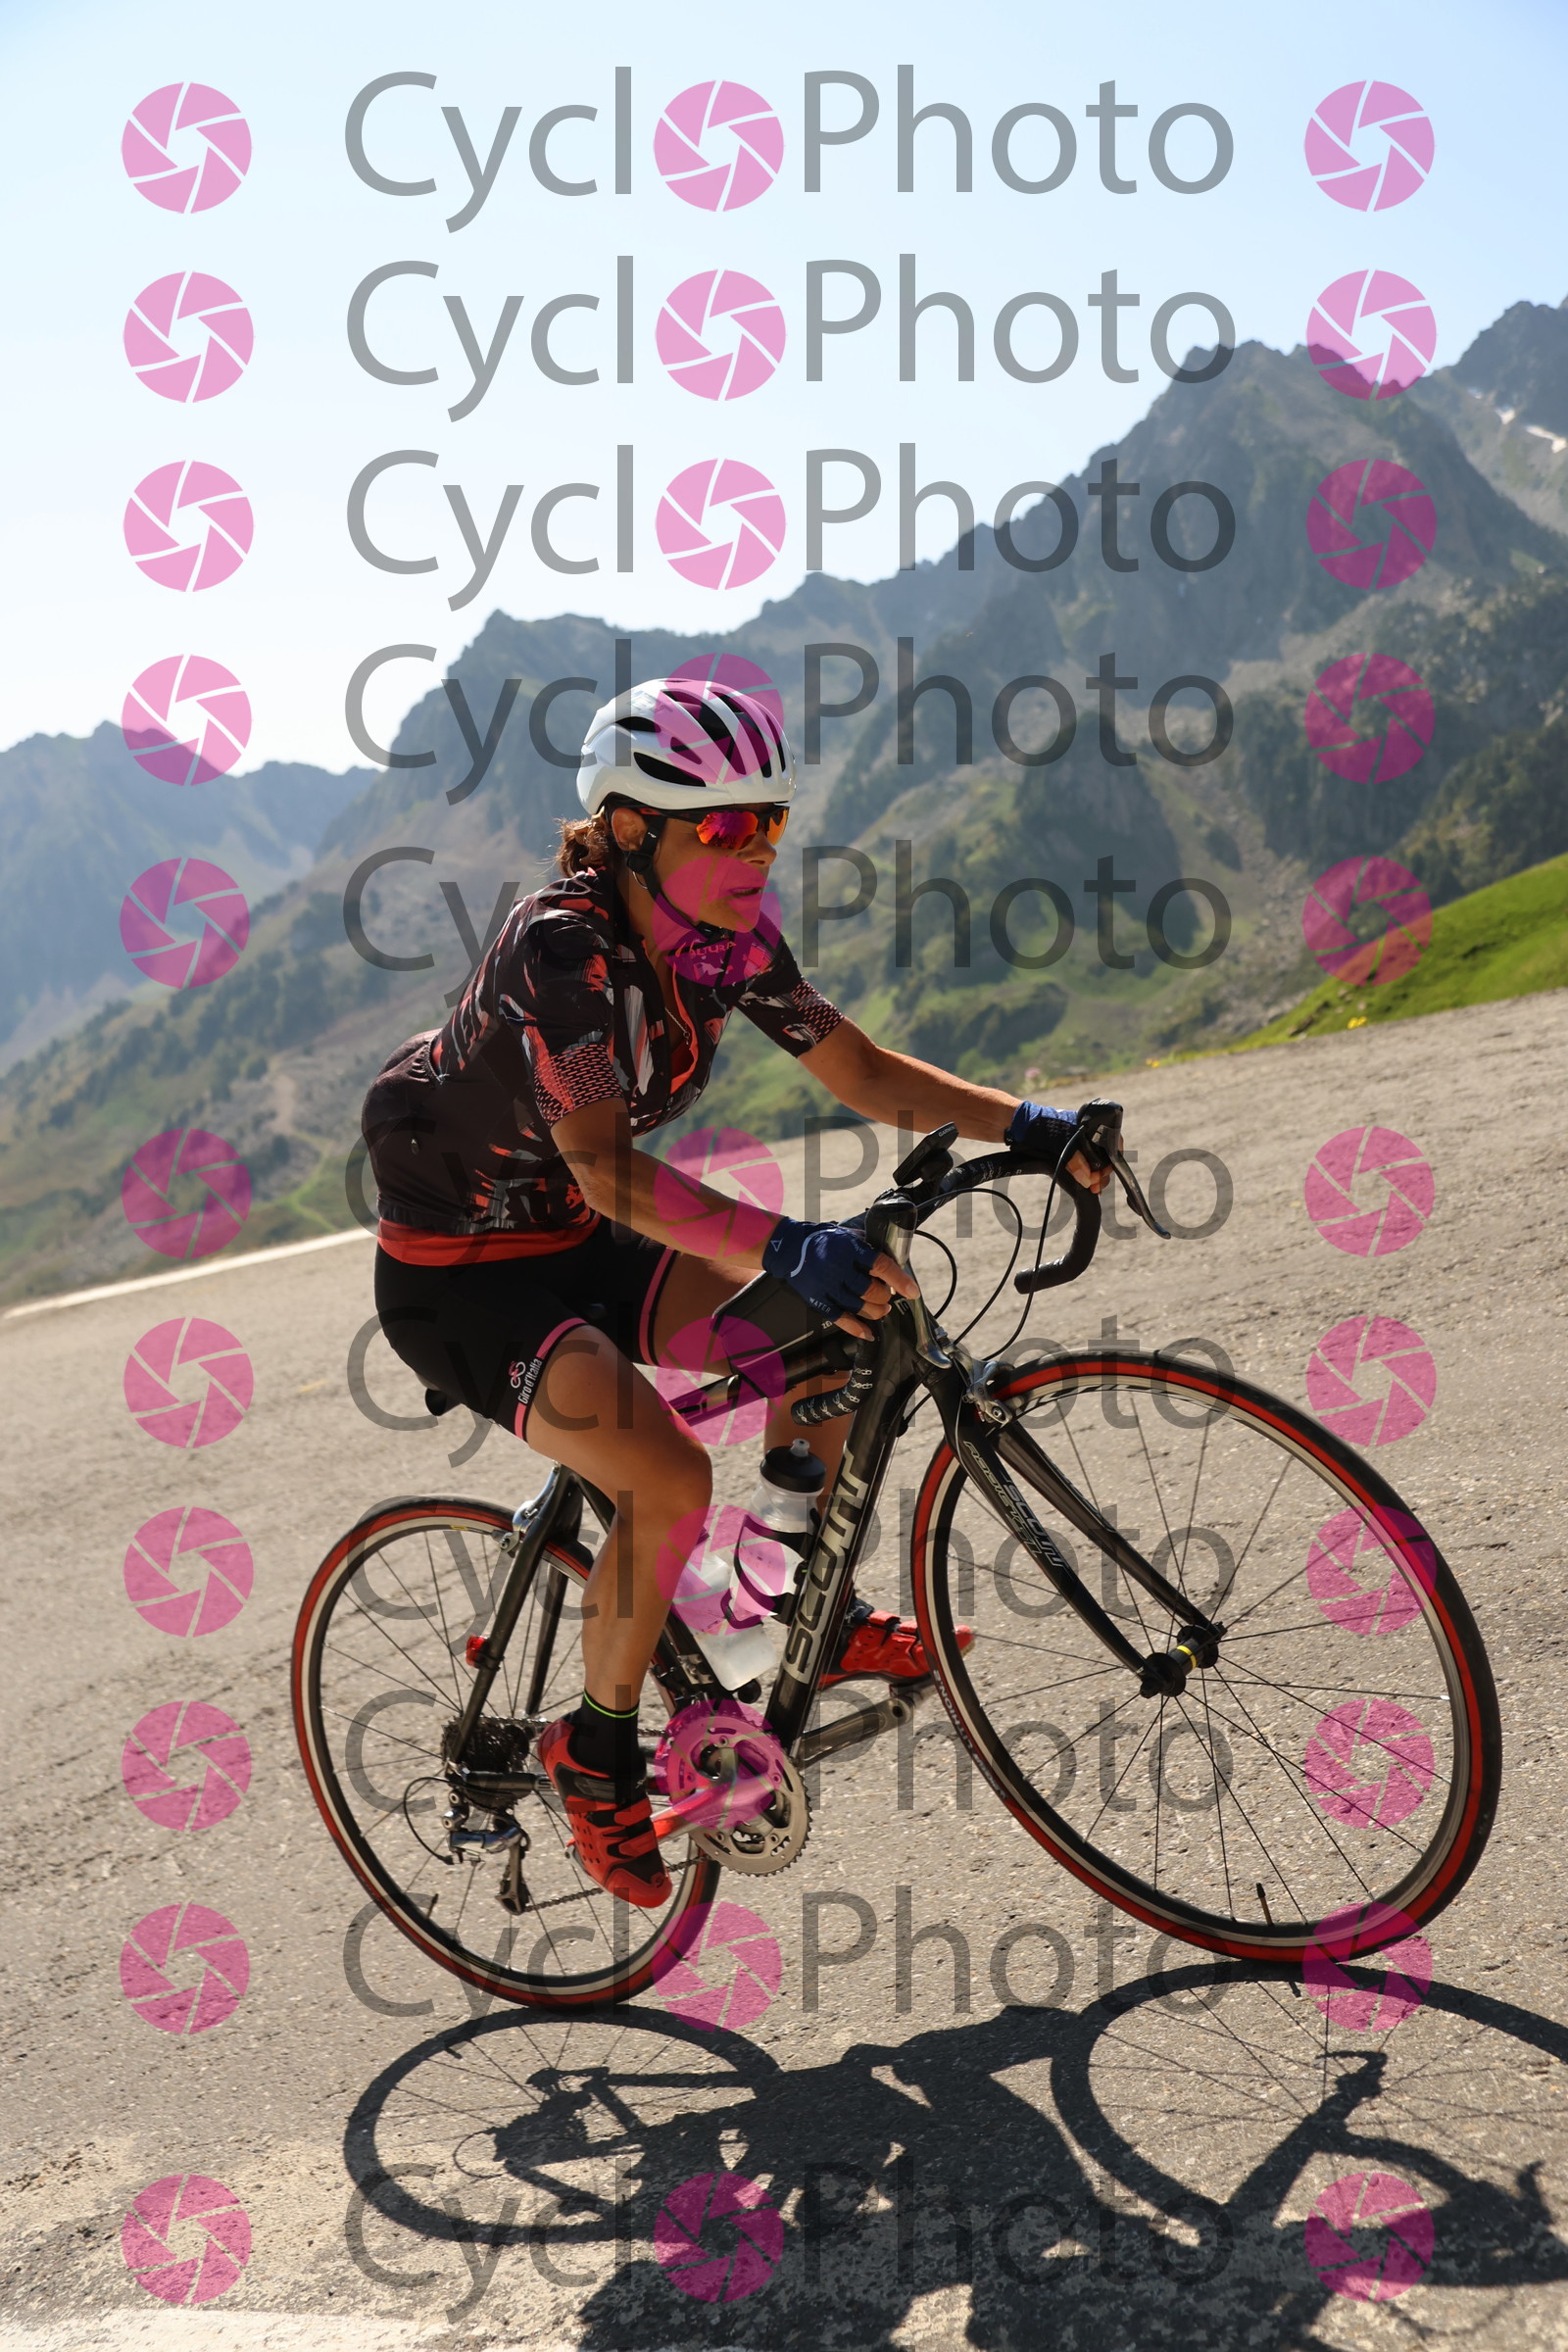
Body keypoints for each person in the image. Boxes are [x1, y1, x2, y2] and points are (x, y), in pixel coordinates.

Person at [363, 675, 1108, 1910]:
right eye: (720, 825)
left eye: (769, 819)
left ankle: (778, 1598)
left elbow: (860, 1069)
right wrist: (785, 1239)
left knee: (840, 1326)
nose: (755, 847)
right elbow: (604, 1168)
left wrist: (1027, 1123)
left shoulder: (726, 941)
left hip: (579, 1238)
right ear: (624, 829)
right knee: (664, 1475)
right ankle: (595, 1749)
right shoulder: (561, 950)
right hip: (465, 1280)